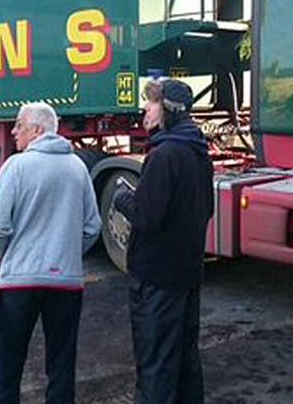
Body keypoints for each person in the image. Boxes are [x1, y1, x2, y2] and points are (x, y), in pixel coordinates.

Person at [0, 102, 101, 404]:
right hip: (66, 282)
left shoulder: (15, 167)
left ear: (37, 130)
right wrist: (68, 254)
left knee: (7, 365)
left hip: (19, 282)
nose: (13, 131)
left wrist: (6, 256)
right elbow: (92, 227)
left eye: (19, 125)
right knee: (61, 365)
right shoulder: (77, 168)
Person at [113, 78, 213, 404]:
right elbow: (206, 208)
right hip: (187, 274)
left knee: (155, 362)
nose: (145, 109)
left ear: (168, 109)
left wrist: (121, 198)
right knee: (185, 358)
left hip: (157, 278)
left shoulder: (165, 155)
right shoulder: (198, 151)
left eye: (151, 103)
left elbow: (146, 216)